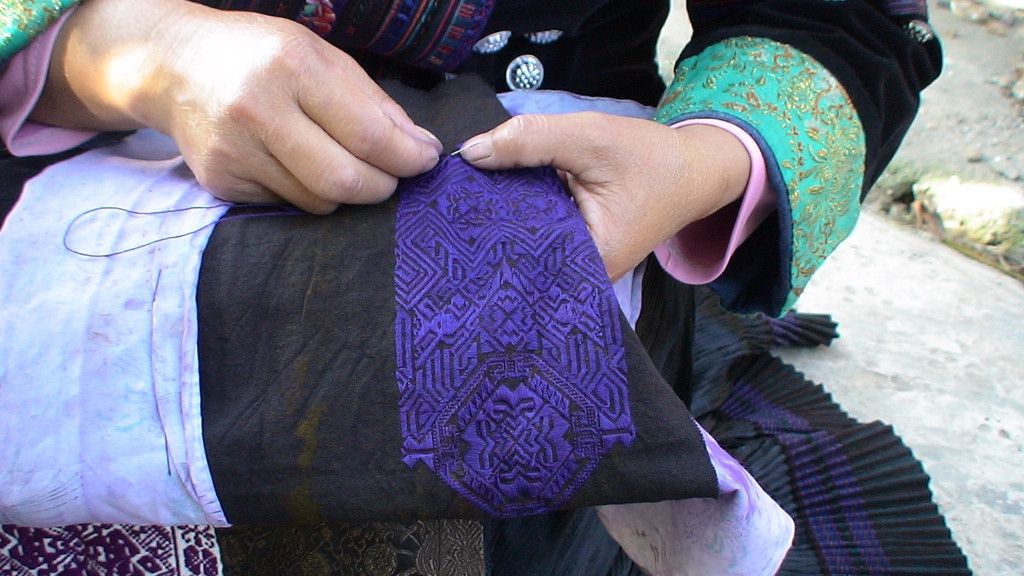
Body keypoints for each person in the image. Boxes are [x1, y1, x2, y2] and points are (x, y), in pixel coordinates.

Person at [0, 0, 969, 574]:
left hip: (576, 213)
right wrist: (112, 50)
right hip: (87, 186)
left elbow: (841, 20)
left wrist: (705, 160)